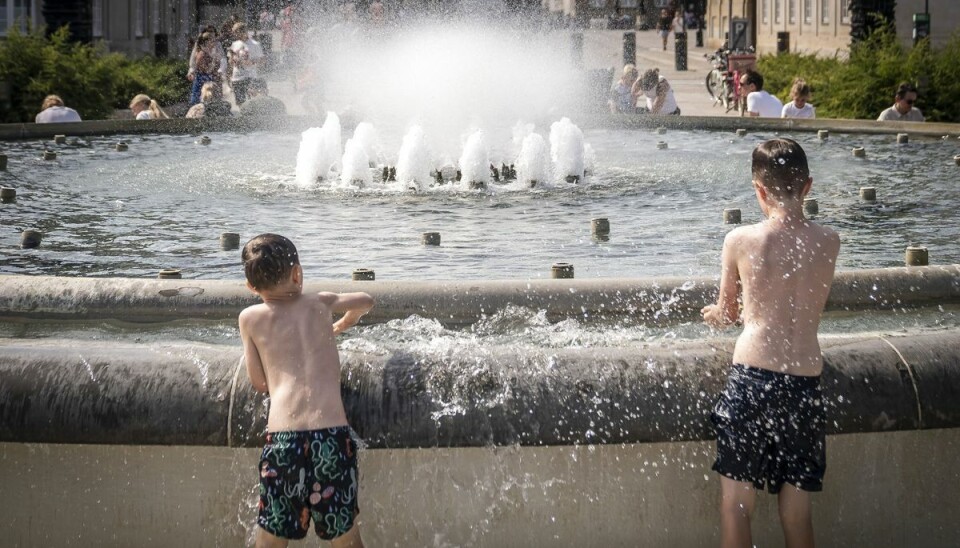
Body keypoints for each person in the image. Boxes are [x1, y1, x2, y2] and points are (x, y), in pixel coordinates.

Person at [702, 138, 840, 548]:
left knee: (736, 507)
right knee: (796, 511)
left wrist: (715, 314)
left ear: (759, 190)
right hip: (804, 383)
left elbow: (728, 315)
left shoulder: (740, 240)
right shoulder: (829, 241)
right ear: (807, 186)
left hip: (753, 379)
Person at [239, 233, 374, 548]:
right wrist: (343, 323)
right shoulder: (320, 302)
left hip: (284, 442)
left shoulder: (249, 318)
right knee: (345, 536)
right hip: (332, 440)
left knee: (271, 538)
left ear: (252, 288)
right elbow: (367, 300)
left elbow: (259, 383)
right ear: (297, 273)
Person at [229, 23, 265, 106]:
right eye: (234, 32)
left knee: (252, 102)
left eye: (236, 32)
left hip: (250, 77)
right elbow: (231, 60)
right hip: (237, 77)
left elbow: (262, 60)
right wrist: (232, 60)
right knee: (240, 103)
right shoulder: (234, 44)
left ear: (243, 32)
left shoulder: (255, 44)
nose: (234, 35)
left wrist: (251, 63)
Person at [188, 32, 223, 106]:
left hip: (208, 76)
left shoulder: (210, 52)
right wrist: (213, 66)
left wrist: (216, 67)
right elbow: (202, 67)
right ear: (207, 42)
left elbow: (215, 66)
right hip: (201, 77)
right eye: (212, 41)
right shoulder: (202, 53)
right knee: (197, 99)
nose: (214, 43)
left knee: (212, 98)